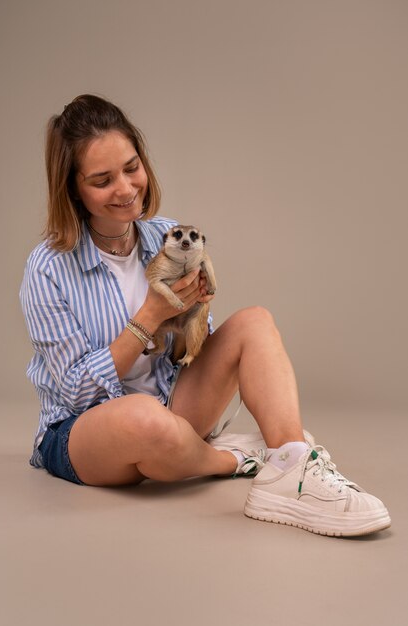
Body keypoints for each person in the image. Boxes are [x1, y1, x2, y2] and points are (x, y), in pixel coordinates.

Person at [20, 94, 390, 537]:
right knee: (141, 417)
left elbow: (195, 346)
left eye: (131, 167)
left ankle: (294, 467)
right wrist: (150, 317)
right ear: (73, 189)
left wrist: (194, 317)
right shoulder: (48, 267)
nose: (125, 188)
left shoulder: (165, 233)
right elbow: (77, 393)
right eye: (102, 180)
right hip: (84, 433)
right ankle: (237, 460)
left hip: (171, 405)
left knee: (255, 320)